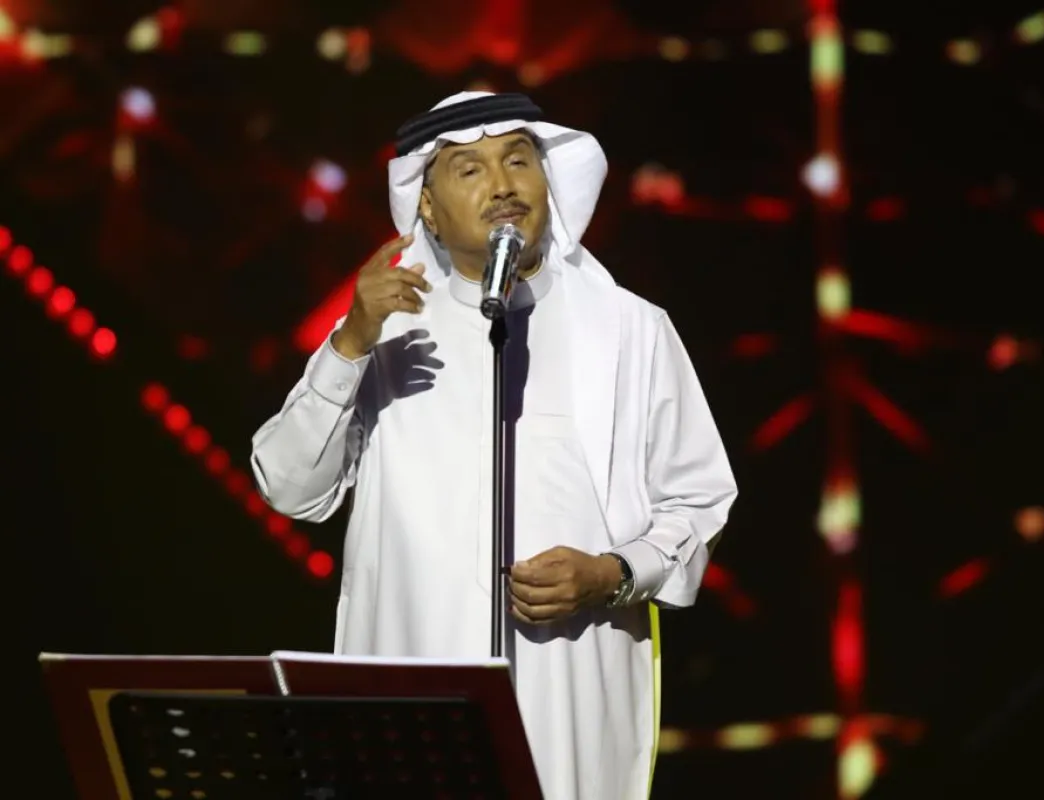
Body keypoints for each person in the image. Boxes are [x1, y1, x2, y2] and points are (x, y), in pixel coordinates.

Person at [250, 90, 737, 800]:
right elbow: (289, 487)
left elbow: (699, 501)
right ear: (427, 206)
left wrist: (611, 574)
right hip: (409, 710)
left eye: (518, 161)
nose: (503, 185)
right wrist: (349, 344)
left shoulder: (630, 330)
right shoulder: (379, 335)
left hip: (566, 705)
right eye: (470, 169)